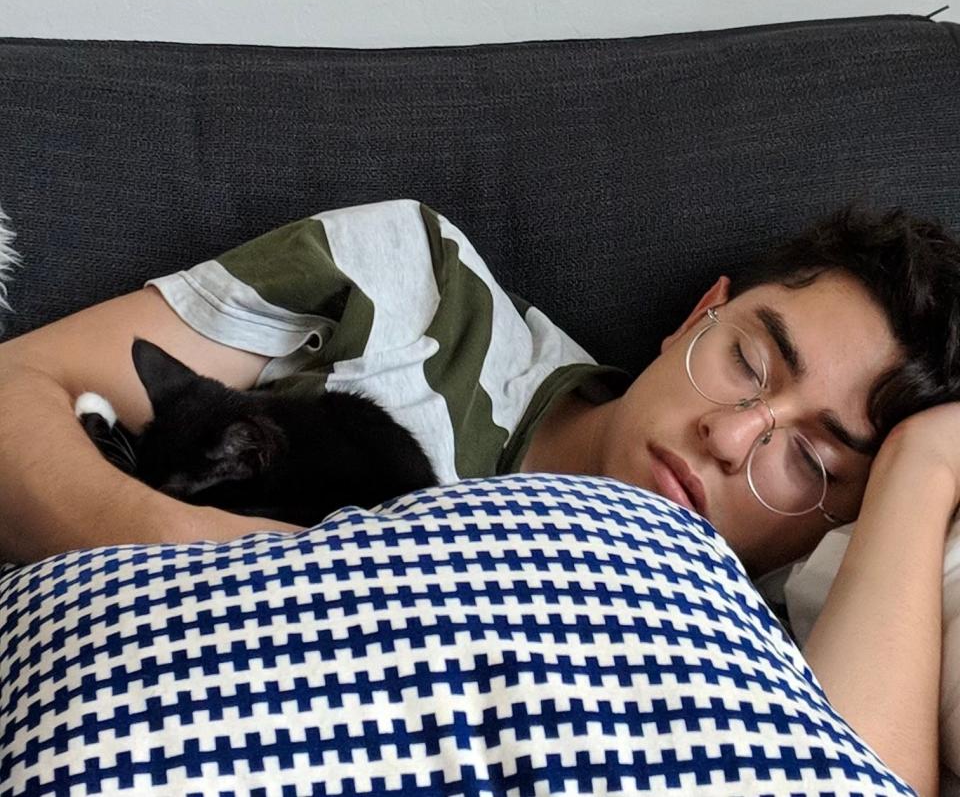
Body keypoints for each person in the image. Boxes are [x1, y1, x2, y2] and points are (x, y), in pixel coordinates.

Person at [0, 197, 958, 794]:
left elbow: (857, 782)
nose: (732, 434)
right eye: (746, 358)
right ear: (695, 317)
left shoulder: (787, 644)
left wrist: (924, 472)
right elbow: (17, 392)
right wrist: (215, 555)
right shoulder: (421, 292)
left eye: (813, 463)